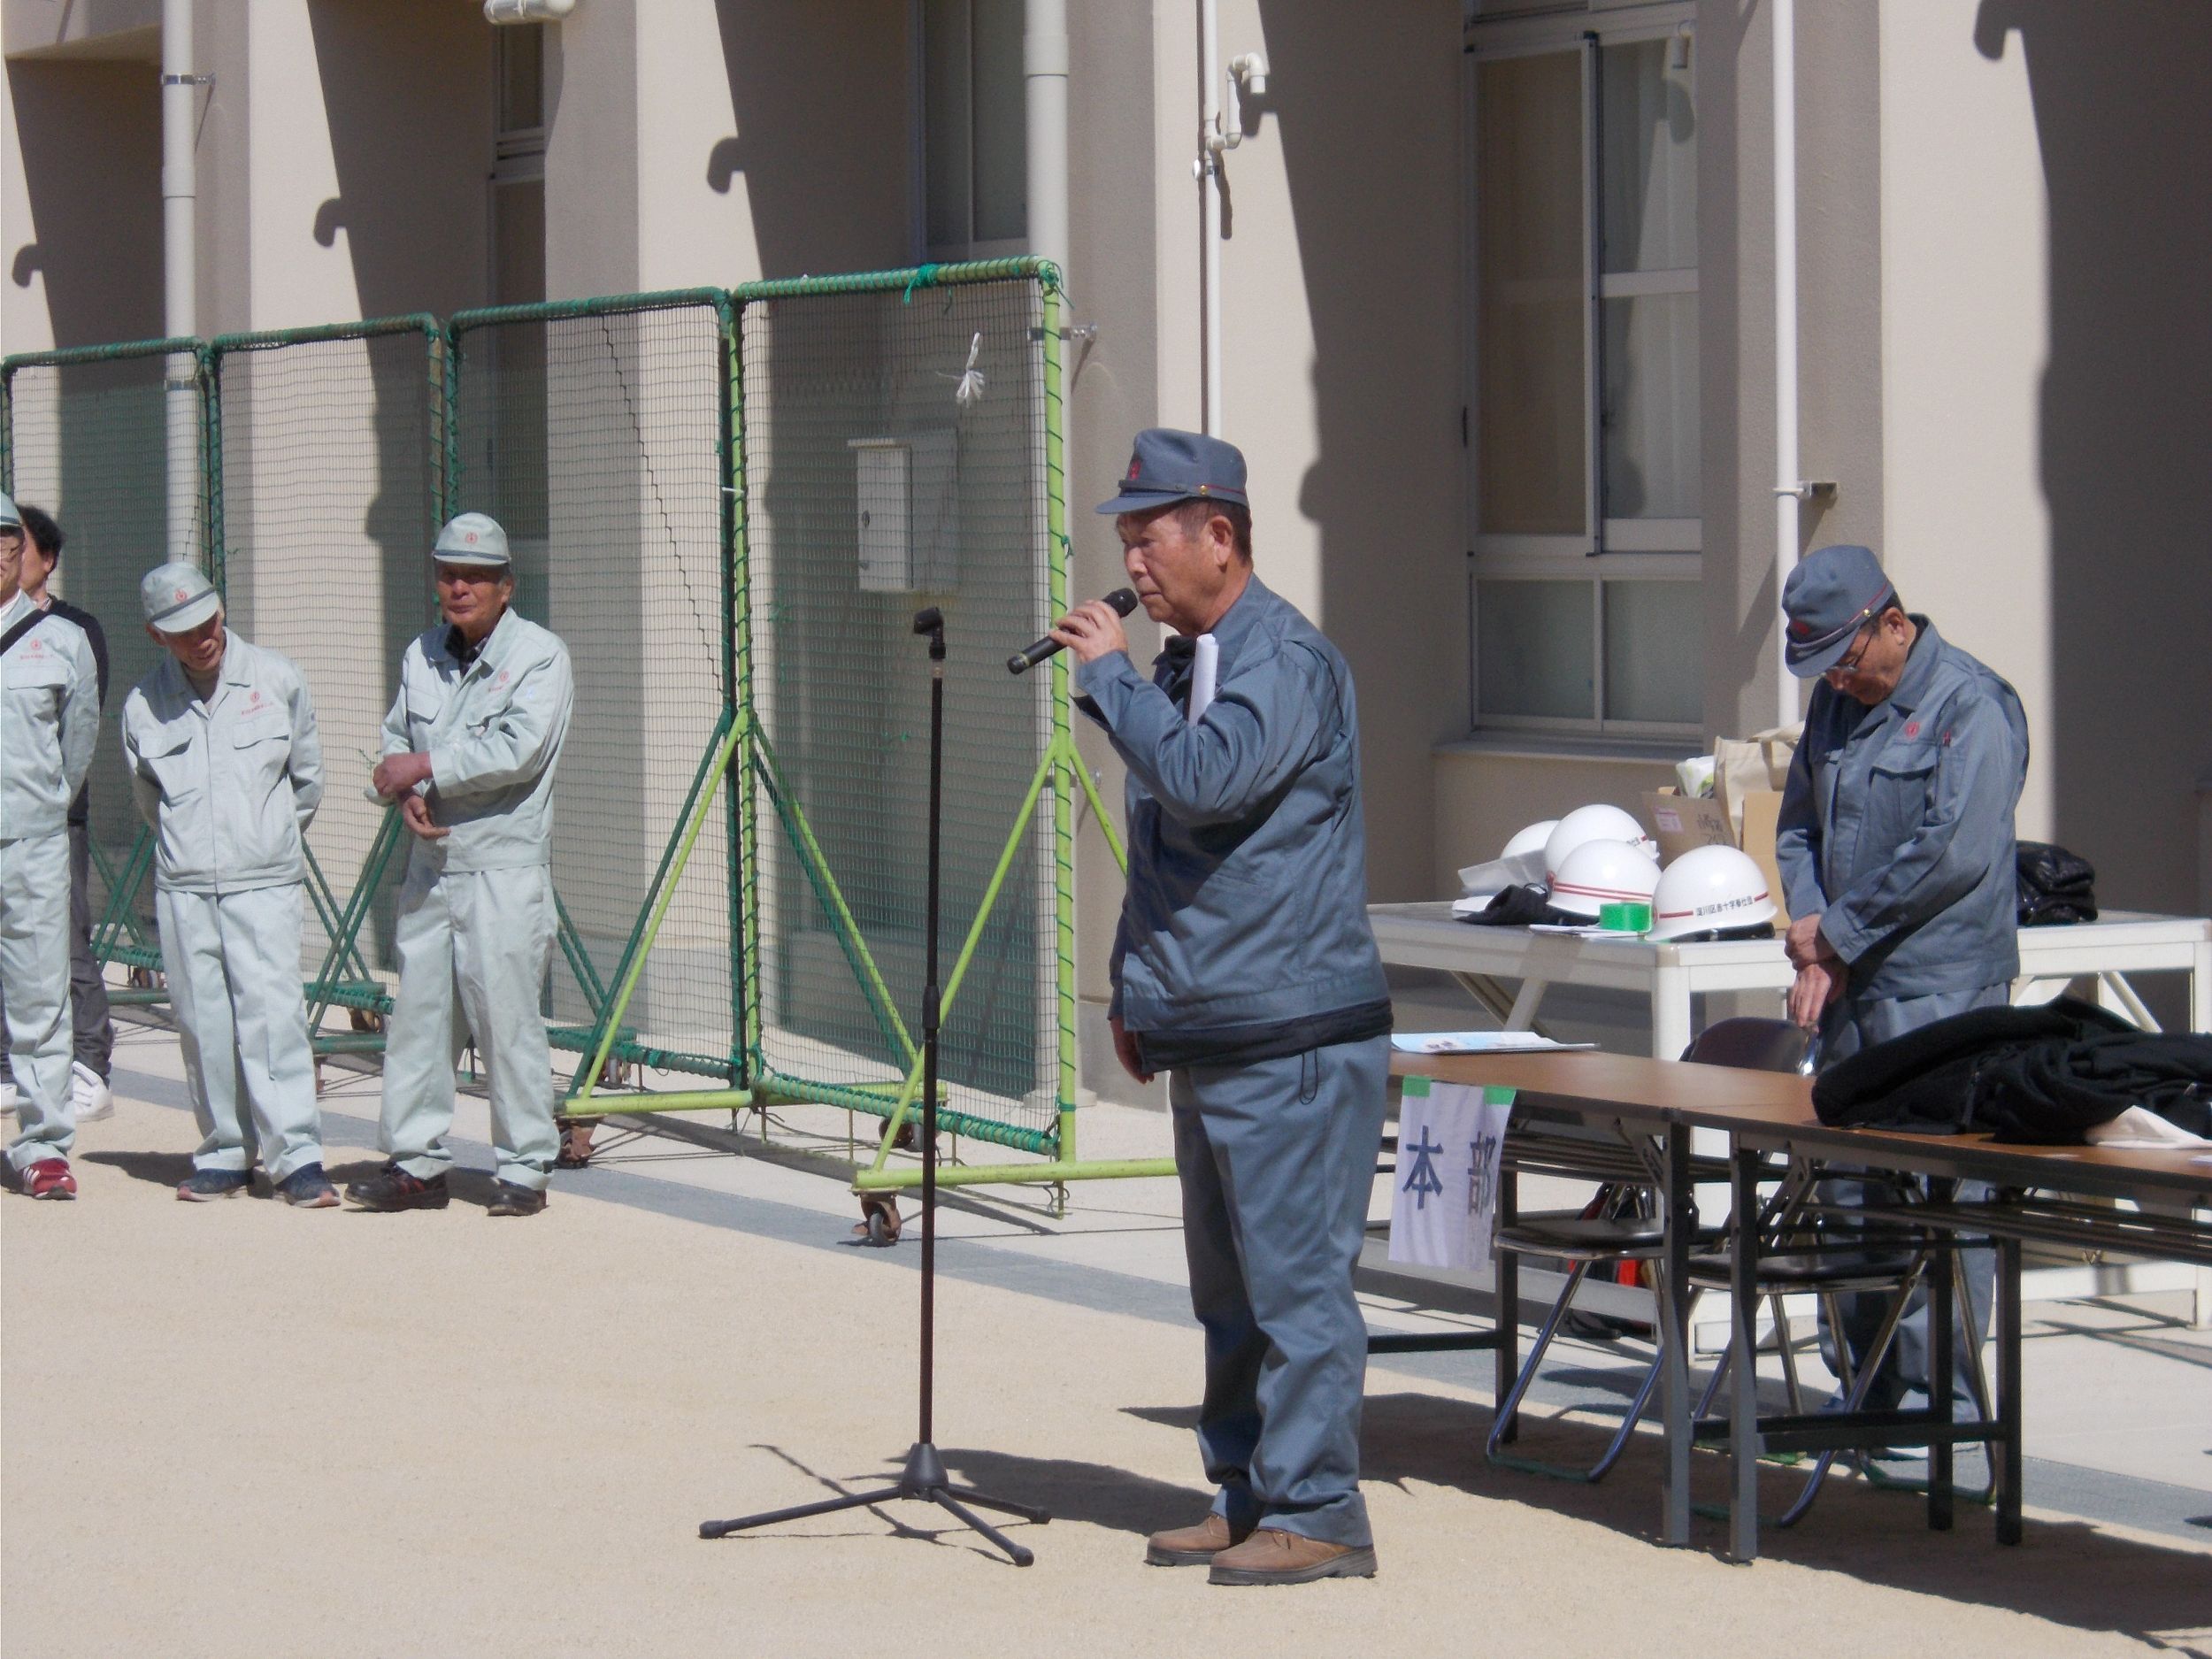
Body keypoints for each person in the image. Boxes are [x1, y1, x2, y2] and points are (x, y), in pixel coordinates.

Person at [1051, 429, 1391, 1586]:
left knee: (1296, 1288)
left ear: (1221, 535)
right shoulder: (1184, 662)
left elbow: (1202, 781)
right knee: (1229, 1294)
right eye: (1125, 542)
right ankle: (1246, 1492)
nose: (1132, 563)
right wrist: (1133, 988)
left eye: (1148, 537)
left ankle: (1324, 1512)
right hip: (1213, 1021)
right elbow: (1168, 854)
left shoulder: (1282, 661)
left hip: (1292, 1029)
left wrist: (1101, 675)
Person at [1775, 542, 2029, 1422]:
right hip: (1848, 990)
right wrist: (1813, 941)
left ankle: (1936, 1403)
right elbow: (1798, 827)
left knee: (1937, 1203)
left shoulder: (1973, 706)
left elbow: (1953, 853)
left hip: (1940, 994)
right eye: (1820, 668)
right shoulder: (1834, 706)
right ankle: (1864, 1386)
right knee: (1846, 1194)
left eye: (1844, 660)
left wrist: (1836, 937)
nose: (1837, 681)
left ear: (1892, 622)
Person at [347, 512, 573, 1217]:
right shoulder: (421, 655)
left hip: (503, 869)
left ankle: (525, 1166)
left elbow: (519, 749)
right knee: (418, 1018)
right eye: (448, 573)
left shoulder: (540, 655)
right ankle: (416, 1163)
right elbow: (394, 740)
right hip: (431, 865)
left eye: (475, 576)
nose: (459, 586)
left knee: (507, 1020)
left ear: (507, 586)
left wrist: (427, 765)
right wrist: (407, 790)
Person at [122, 565, 335, 1204]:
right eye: (183, 631)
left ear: (222, 610)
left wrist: (264, 839)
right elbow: (148, 798)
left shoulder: (277, 679)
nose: (202, 638)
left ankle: (296, 1155)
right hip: (186, 884)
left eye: (207, 621)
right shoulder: (142, 704)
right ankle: (223, 1149)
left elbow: (307, 779)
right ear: (157, 636)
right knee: (201, 1019)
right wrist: (195, 848)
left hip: (264, 879)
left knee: (273, 1017)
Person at [0, 503, 117, 1125]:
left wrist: (49, 800)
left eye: (11, 544)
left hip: (49, 823)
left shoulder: (73, 631)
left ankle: (90, 1065)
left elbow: (81, 730)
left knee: (61, 945)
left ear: (37, 557)